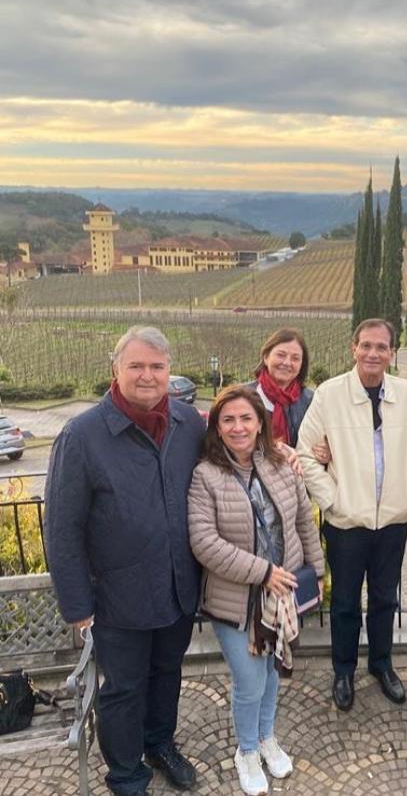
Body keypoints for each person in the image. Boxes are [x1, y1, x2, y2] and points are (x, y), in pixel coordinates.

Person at [45, 326, 204, 796]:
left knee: (167, 675)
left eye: (156, 366)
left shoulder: (187, 423)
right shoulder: (81, 436)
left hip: (177, 587)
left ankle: (159, 743)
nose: (147, 376)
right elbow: (62, 530)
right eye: (136, 365)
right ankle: (126, 773)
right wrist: (78, 607)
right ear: (115, 369)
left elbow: (234, 451)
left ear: (169, 371)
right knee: (122, 690)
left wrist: (287, 453)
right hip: (118, 598)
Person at [188, 386, 324, 796]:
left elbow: (303, 519)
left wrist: (316, 572)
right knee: (249, 681)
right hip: (236, 600)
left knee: (270, 674)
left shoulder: (281, 463)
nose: (238, 427)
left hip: (281, 596)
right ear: (216, 427)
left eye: (246, 418)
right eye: (227, 419)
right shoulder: (205, 475)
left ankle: (266, 738)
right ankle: (246, 751)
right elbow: (204, 542)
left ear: (260, 423)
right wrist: (263, 572)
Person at [297, 318, 407, 711]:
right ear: (353, 348)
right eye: (366, 345)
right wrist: (333, 501)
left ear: (392, 352)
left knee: (386, 598)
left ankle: (382, 664)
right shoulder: (330, 394)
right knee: (346, 602)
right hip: (346, 523)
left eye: (381, 347)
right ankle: (343, 671)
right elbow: (306, 452)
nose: (373, 353)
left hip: (392, 521)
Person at [251, 328, 314, 447]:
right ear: (266, 357)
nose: (287, 363)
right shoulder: (243, 395)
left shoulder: (311, 401)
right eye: (281, 355)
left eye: (295, 358)